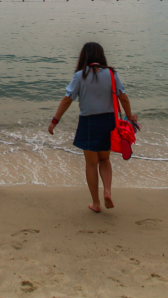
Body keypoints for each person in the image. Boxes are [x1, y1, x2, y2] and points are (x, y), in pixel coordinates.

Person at [48, 42, 137, 213]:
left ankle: (96, 203)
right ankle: (108, 192)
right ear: (101, 56)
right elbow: (123, 97)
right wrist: (129, 116)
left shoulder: (80, 76)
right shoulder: (111, 74)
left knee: (91, 164)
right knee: (105, 159)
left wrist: (55, 121)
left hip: (88, 123)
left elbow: (67, 100)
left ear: (83, 56)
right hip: (109, 122)